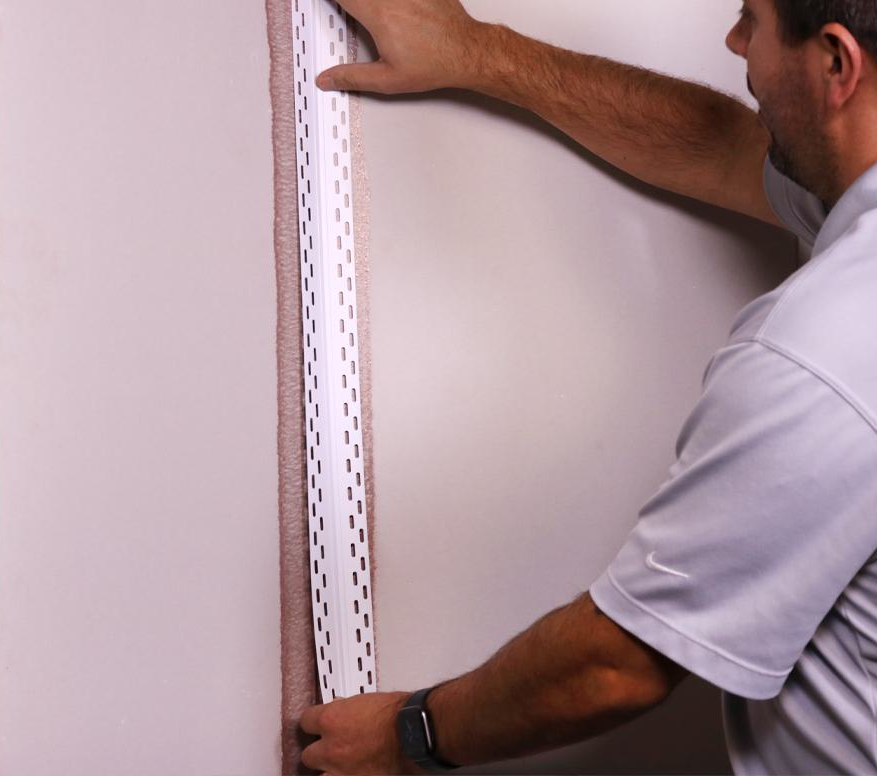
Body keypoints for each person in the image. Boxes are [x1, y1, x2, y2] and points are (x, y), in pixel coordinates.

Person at [297, 0, 877, 773]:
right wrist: (476, 51)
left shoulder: (821, 353)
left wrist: (408, 737)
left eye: (753, 19)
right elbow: (725, 150)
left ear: (836, 63)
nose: (735, 42)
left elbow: (621, 663)